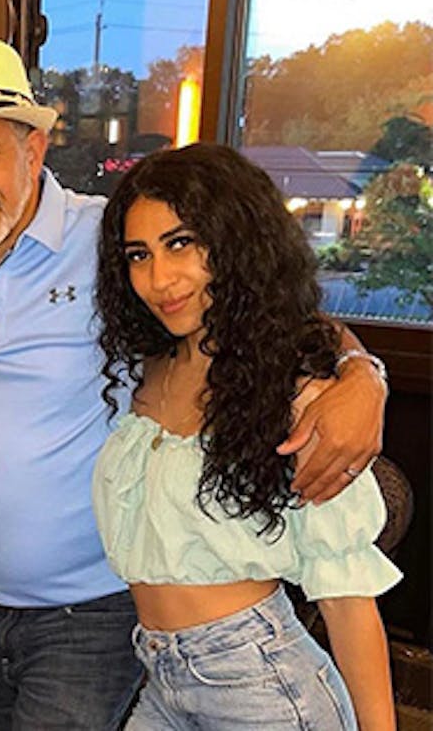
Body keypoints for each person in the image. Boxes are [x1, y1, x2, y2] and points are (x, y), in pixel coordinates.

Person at [0, 36, 390, 729]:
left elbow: (272, 312)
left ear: (34, 147)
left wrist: (363, 375)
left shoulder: (113, 242)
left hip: (90, 614)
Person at [92, 142, 401, 729]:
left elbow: (347, 598)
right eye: (139, 255)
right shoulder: (151, 365)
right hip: (162, 675)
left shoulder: (297, 392)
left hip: (262, 686)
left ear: (234, 242)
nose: (159, 278)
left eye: (181, 243)